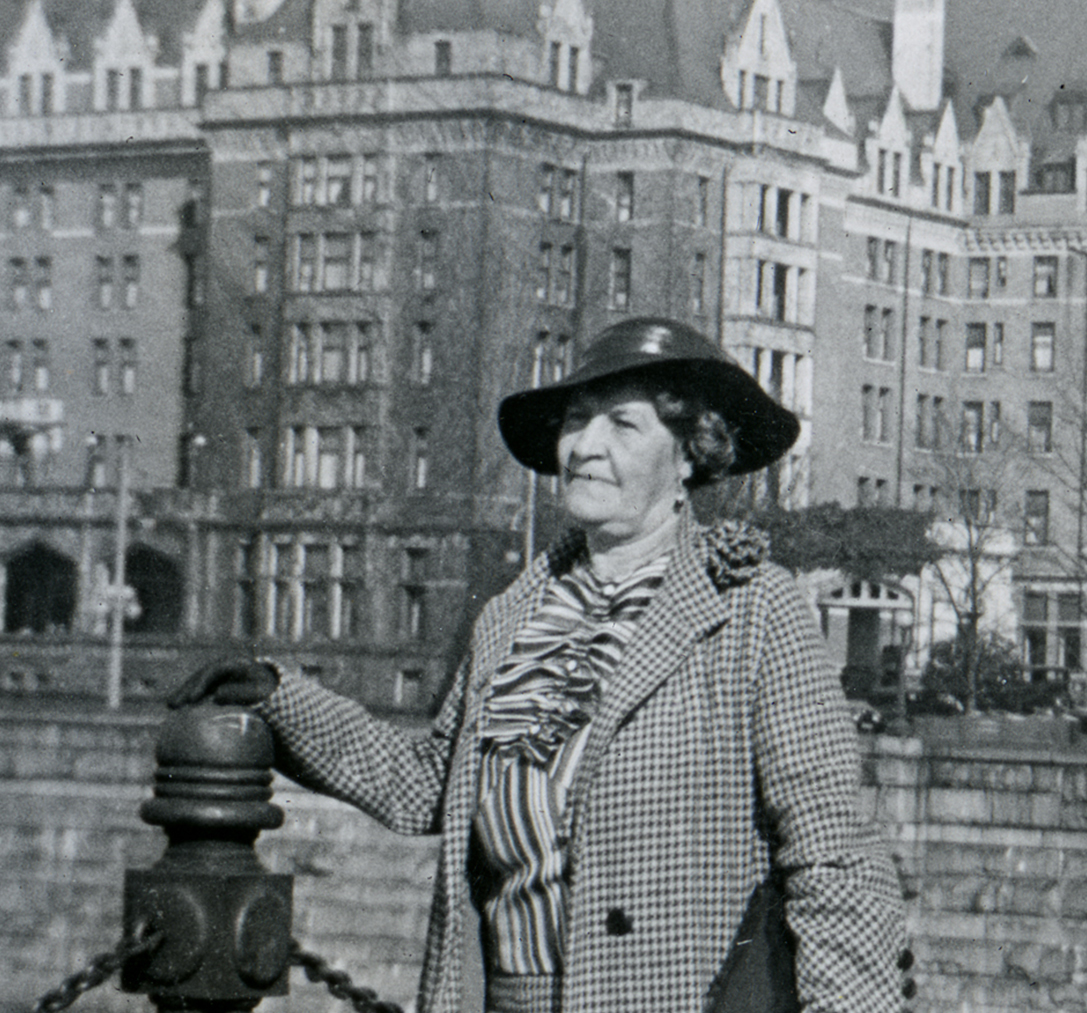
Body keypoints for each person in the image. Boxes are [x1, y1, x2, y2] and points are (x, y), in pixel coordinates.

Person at [171, 318, 912, 1013]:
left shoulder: (754, 610)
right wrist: (278, 696)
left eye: (623, 423)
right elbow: (428, 783)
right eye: (575, 420)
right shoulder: (512, 616)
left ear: (690, 454)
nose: (585, 445)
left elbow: (831, 846)